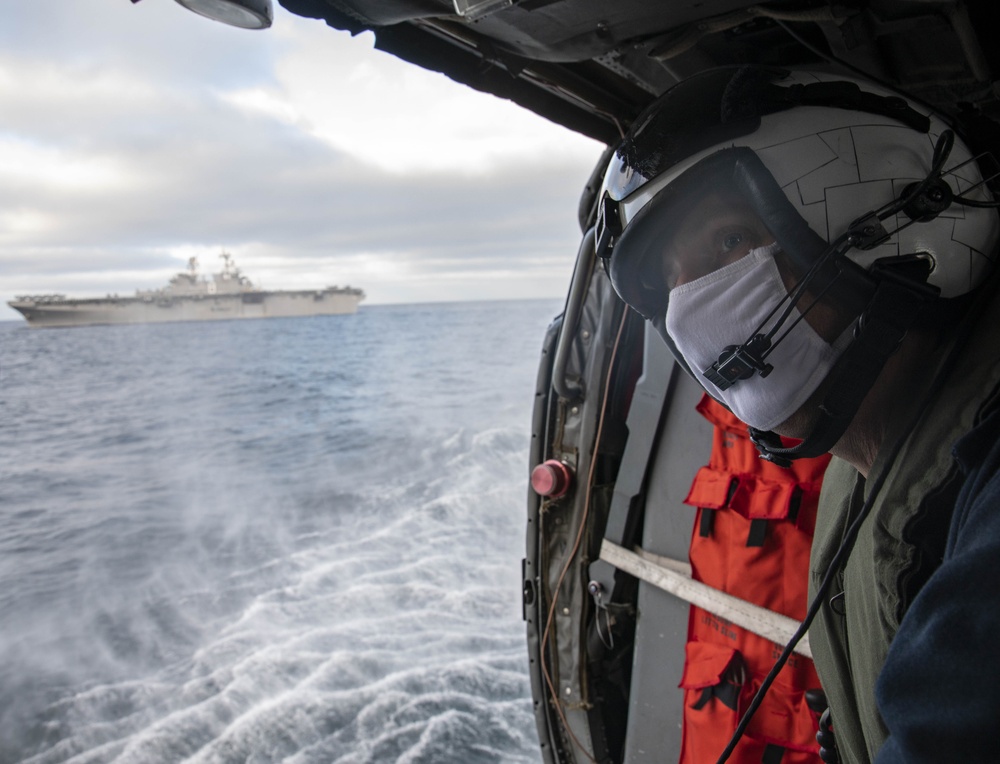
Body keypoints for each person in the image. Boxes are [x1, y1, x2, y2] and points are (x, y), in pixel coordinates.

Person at [594, 66, 1000, 763]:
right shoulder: (875, 463)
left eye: (728, 242)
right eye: (669, 283)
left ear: (902, 214)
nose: (691, 310)